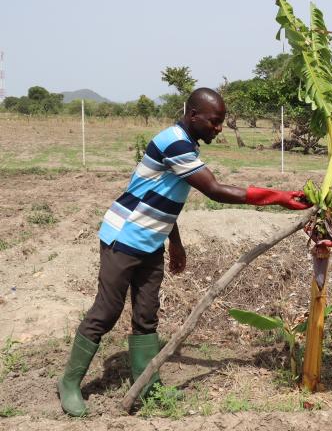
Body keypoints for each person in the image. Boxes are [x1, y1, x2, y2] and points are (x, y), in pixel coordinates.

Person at [57, 88, 311, 416]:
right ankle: (69, 383)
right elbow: (215, 190)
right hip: (124, 237)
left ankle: (146, 386)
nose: (219, 128)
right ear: (194, 116)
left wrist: (174, 242)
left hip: (150, 241)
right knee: (107, 311)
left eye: (221, 122)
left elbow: (164, 195)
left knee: (146, 315)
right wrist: (278, 198)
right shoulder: (174, 142)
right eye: (215, 122)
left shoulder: (186, 143)